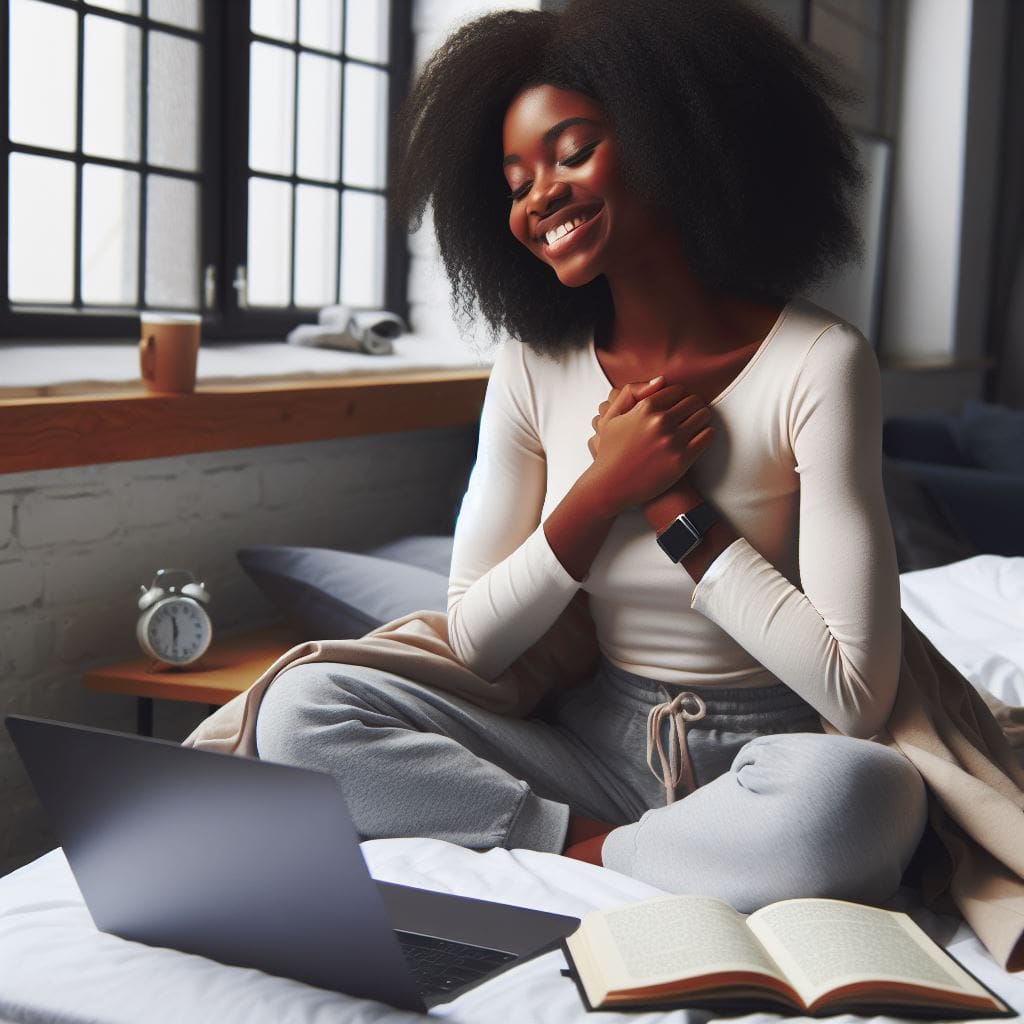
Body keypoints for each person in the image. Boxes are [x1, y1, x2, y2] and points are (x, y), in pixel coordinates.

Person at [255, 0, 929, 912]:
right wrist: (603, 486)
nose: (540, 196)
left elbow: (855, 697)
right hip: (589, 753)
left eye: (572, 152)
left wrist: (673, 509)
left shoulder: (819, 359)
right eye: (516, 177)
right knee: (301, 711)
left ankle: (613, 851)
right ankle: (595, 851)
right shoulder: (532, 365)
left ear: (679, 138)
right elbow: (479, 641)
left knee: (863, 797)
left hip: (775, 756)